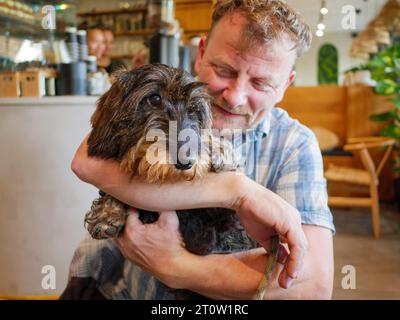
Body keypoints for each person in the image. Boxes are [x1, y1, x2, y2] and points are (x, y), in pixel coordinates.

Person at [64, 0, 334, 300]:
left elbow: (312, 285)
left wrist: (176, 267)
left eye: (261, 83)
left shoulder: (295, 145)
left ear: (285, 85)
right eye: (224, 70)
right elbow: (86, 162)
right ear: (201, 54)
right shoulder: (159, 96)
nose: (234, 97)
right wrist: (237, 191)